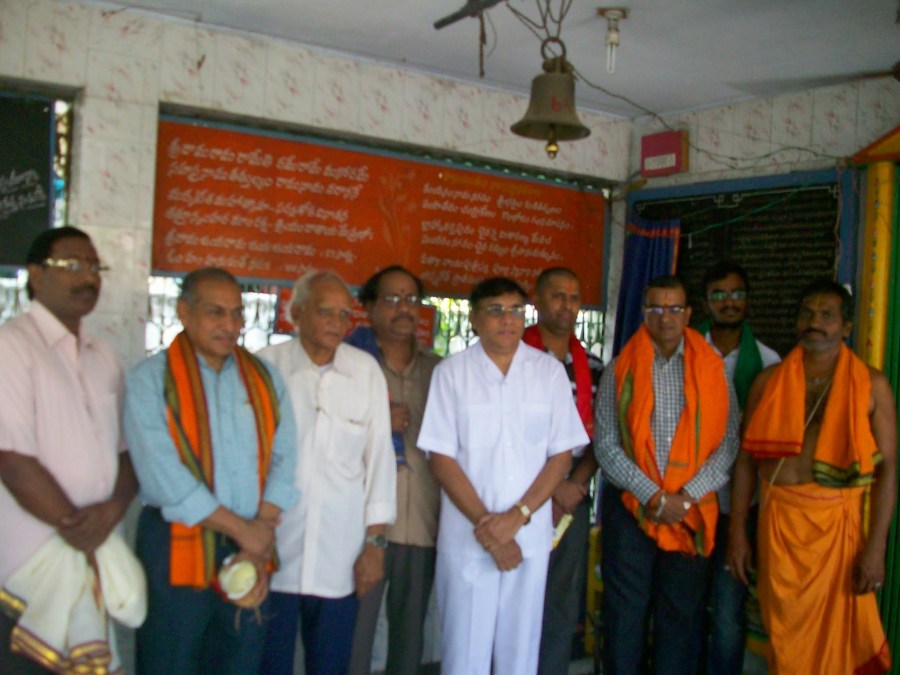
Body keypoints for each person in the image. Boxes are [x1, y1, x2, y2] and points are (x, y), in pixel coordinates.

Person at [125, 267, 299, 675]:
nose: (230, 325)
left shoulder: (264, 378)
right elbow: (163, 477)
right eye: (215, 312)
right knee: (171, 661)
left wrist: (258, 534)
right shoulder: (151, 380)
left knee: (240, 660)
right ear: (184, 313)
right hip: (176, 546)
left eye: (237, 313)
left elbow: (286, 457)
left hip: (251, 546)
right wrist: (247, 532)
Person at [418, 276, 589, 674]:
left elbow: (561, 456)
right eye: (495, 310)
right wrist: (490, 527)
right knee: (464, 656)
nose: (507, 320)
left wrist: (517, 518)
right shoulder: (452, 373)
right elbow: (440, 457)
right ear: (474, 319)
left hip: (528, 539)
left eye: (515, 310)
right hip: (469, 538)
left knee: (520, 654)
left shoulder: (548, 373)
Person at [727, 279, 896, 674]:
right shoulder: (768, 382)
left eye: (826, 315)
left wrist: (876, 548)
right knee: (785, 640)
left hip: (838, 534)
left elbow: (889, 469)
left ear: (846, 327)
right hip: (778, 528)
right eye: (806, 313)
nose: (814, 322)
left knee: (838, 645)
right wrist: (737, 532)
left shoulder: (872, 385)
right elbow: (745, 462)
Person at [0, 226, 138, 673]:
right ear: (36, 275)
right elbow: (11, 459)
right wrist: (78, 529)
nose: (89, 278)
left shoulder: (104, 356)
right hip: (28, 565)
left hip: (94, 550)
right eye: (72, 265)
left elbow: (127, 453)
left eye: (95, 267)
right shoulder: (11, 346)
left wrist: (112, 512)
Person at [595, 274, 740, 675]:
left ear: (689, 314)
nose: (665, 317)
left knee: (680, 618)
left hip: (690, 511)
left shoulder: (714, 371)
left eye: (674, 308)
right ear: (644, 313)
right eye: (656, 308)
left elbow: (728, 443)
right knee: (625, 615)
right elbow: (606, 444)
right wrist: (654, 496)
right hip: (632, 509)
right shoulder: (620, 369)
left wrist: (685, 497)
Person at [258, 270, 396, 675]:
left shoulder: (365, 371)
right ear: (297, 313)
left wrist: (375, 546)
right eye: (325, 312)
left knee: (331, 664)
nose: (337, 323)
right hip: (272, 550)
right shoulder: (266, 367)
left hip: (341, 556)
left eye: (344, 314)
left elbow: (380, 463)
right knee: (268, 663)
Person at [347, 266, 442, 674]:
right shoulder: (349, 366)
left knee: (409, 640)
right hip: (360, 525)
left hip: (421, 521)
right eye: (391, 299)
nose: (404, 308)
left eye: (411, 299)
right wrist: (377, 422)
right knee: (354, 633)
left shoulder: (440, 371)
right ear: (368, 308)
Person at [697, 261, 779, 674]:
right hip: (690, 503)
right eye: (719, 294)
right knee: (684, 606)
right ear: (705, 303)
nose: (729, 302)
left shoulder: (768, 361)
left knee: (729, 615)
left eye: (737, 294)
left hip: (739, 510)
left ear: (748, 301)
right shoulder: (687, 351)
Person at [524, 267, 604, 674]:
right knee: (515, 592)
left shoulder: (594, 365)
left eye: (574, 298)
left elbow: (602, 436)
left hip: (572, 491)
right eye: (557, 296)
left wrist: (575, 483)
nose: (566, 305)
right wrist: (549, 486)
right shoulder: (513, 357)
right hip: (520, 487)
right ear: (537, 300)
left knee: (560, 599)